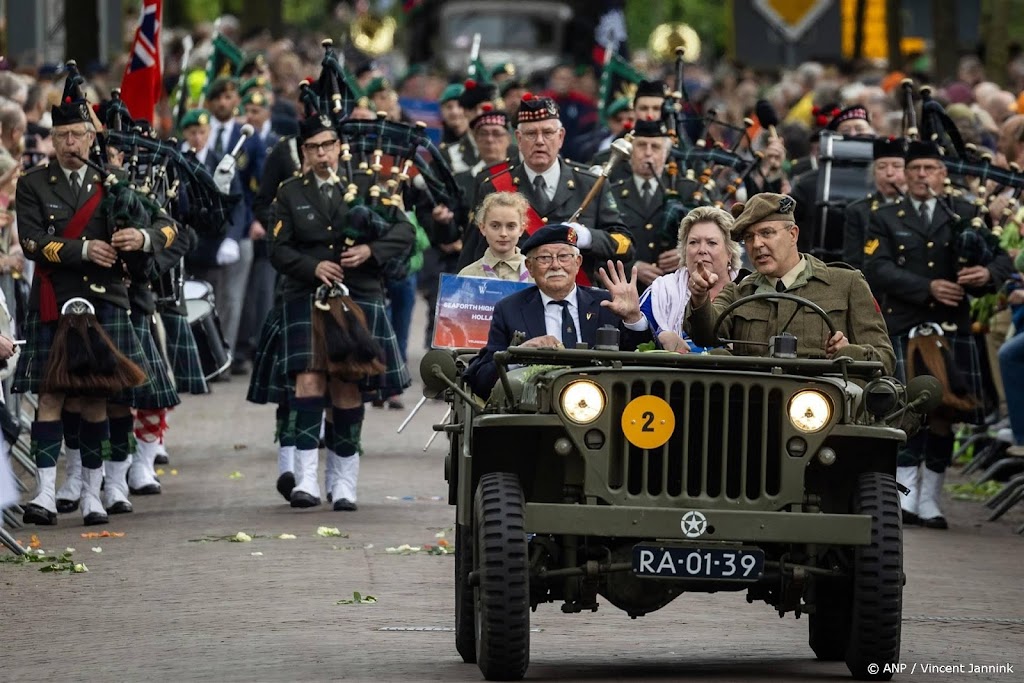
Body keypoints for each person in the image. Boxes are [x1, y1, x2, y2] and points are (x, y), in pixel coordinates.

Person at [15, 80, 176, 526]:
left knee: (96, 400)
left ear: (92, 137)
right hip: (56, 299)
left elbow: (166, 226)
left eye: (78, 135)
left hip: (105, 300)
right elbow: (31, 242)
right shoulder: (33, 184)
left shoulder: (115, 183)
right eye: (62, 135)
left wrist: (139, 238)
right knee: (50, 395)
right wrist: (84, 250)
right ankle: (45, 494)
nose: (70, 143)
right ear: (52, 138)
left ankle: (92, 492)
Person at [864, 140, 1014, 528]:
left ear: (942, 174)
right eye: (915, 169)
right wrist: (926, 287)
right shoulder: (886, 215)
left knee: (946, 414)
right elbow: (875, 267)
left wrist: (986, 276)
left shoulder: (963, 213)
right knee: (906, 412)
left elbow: (1000, 260)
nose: (921, 175)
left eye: (930, 168)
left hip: (950, 328)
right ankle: (905, 495)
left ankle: (930, 498)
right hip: (904, 325)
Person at [272, 112, 414, 511]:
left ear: (339, 146)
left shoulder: (368, 182)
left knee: (347, 386)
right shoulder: (290, 192)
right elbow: (277, 249)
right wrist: (312, 266)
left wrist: (371, 251)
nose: (322, 154)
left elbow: (403, 232)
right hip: (307, 294)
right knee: (309, 382)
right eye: (313, 147)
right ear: (304, 152)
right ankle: (304, 480)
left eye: (328, 145)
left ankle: (344, 481)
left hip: (359, 292)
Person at [685, 192, 895, 373]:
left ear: (793, 235)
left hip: (822, 410)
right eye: (749, 237)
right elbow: (705, 336)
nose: (757, 244)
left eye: (767, 233)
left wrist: (849, 353)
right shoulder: (739, 291)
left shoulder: (846, 284)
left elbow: (885, 359)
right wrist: (699, 297)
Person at [459, 93, 634, 284]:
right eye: (531, 134)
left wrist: (588, 237)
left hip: (577, 300)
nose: (540, 141)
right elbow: (472, 255)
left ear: (560, 137)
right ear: (518, 137)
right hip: (515, 301)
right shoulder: (494, 186)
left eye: (548, 133)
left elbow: (625, 245)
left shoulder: (591, 183)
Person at [464, 224, 651, 397]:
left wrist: (633, 318)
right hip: (536, 412)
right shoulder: (509, 309)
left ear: (578, 262)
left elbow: (645, 362)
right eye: (545, 258)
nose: (555, 265)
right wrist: (517, 356)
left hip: (603, 406)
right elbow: (481, 379)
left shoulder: (607, 304)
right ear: (529, 267)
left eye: (564, 257)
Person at [640, 206, 743, 353]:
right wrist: (660, 337)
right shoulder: (660, 292)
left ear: (730, 253)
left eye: (711, 243)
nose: (701, 249)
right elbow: (635, 340)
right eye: (693, 242)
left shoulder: (748, 290)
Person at [842, 136, 907, 269]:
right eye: (881, 167)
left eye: (897, 166)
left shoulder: (920, 207)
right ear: (873, 173)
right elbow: (853, 262)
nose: (889, 173)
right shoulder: (859, 210)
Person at [458, 192, 532, 282]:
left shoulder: (536, 273)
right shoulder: (468, 275)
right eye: (495, 226)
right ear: (483, 228)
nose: (503, 233)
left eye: (511, 226)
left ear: (521, 229)